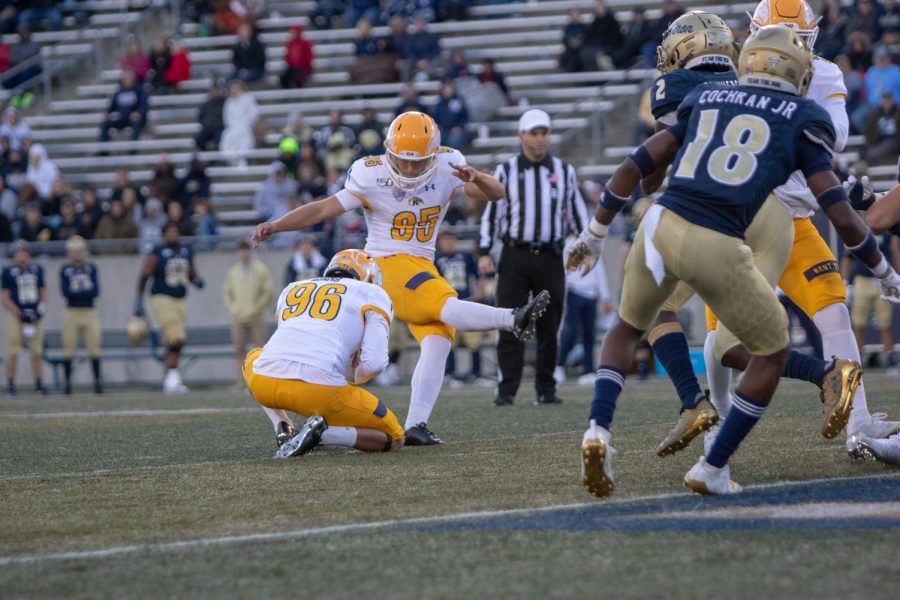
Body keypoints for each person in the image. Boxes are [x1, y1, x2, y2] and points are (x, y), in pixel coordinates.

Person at [567, 26, 900, 498]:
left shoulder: (702, 98)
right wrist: (885, 271)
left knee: (627, 325)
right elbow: (841, 215)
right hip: (725, 236)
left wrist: (595, 234)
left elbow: (637, 167)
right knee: (769, 353)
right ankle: (715, 462)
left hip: (661, 223)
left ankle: (599, 430)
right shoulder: (803, 115)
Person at [642, 7, 898, 461]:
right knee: (724, 340)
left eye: (796, 38)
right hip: (741, 217)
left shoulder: (821, 73)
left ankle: (857, 422)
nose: (789, 48)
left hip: (796, 220)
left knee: (833, 313)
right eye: (780, 37)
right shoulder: (740, 71)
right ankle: (714, 425)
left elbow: (835, 135)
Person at [253, 111, 550, 445]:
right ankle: (512, 318)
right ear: (388, 151)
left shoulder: (449, 165)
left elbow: (497, 193)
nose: (409, 169)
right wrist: (277, 225)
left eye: (418, 162)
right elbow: (323, 208)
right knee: (445, 304)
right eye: (402, 160)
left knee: (439, 339)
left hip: (422, 264)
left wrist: (476, 177)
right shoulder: (370, 174)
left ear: (434, 154)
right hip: (384, 264)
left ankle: (416, 425)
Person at [244, 249, 406, 456]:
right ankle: (324, 434)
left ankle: (283, 425)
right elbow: (374, 363)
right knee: (396, 438)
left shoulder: (294, 287)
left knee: (253, 357)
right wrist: (356, 379)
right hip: (320, 391)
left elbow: (292, 340)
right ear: (368, 275)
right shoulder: (372, 293)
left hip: (264, 382)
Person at [478, 109, 589, 406]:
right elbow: (493, 212)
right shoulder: (506, 171)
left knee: (550, 325)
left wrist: (586, 248)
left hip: (551, 255)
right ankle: (506, 389)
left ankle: (546, 388)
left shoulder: (564, 171)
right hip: (515, 254)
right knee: (508, 321)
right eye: (534, 133)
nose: (540, 139)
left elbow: (576, 213)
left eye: (544, 133)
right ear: (521, 135)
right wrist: (484, 250)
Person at [134, 222, 205, 394]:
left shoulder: (186, 250)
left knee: (175, 341)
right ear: (163, 234)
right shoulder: (157, 251)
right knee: (177, 337)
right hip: (162, 298)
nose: (173, 234)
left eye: (176, 231)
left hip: (180, 300)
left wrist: (196, 281)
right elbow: (144, 276)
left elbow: (191, 273)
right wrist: (138, 303)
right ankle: (172, 376)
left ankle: (170, 378)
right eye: (169, 232)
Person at [435, 229, 490, 385]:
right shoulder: (435, 260)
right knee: (450, 342)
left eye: (451, 239)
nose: (449, 242)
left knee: (474, 340)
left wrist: (480, 291)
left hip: (467, 302)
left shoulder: (466, 257)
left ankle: (477, 373)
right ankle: (450, 374)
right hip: (447, 304)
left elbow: (478, 277)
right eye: (446, 239)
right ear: (439, 243)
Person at [556, 235, 612, 386]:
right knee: (571, 332)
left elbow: (599, 269)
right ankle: (558, 365)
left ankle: (588, 370)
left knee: (589, 334)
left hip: (591, 295)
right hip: (574, 292)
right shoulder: (566, 244)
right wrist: (562, 296)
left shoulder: (593, 244)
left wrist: (605, 297)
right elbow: (563, 270)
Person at [843, 232, 900, 374]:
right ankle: (856, 362)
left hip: (882, 280)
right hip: (862, 279)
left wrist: (897, 277)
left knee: (885, 324)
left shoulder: (887, 231)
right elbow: (847, 257)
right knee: (858, 324)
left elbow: (895, 253)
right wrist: (844, 281)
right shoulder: (857, 227)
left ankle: (890, 361)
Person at [223, 238, 274, 390]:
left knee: (260, 350)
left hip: (257, 317)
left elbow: (268, 291)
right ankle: (241, 382)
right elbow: (227, 292)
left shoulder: (260, 269)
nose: (244, 253)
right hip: (238, 317)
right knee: (239, 350)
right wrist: (234, 308)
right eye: (241, 250)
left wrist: (258, 307)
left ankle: (261, 381)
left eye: (246, 250)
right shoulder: (233, 271)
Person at [2, 239, 46, 395]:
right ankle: (11, 385)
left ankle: (39, 384)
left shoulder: (37, 270)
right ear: (14, 255)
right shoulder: (8, 272)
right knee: (13, 351)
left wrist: (40, 309)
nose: (22, 255)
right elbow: (5, 298)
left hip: (34, 316)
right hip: (17, 316)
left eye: (24, 252)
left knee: (37, 351)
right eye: (19, 252)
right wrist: (19, 314)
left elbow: (43, 291)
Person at [59, 236, 103, 395]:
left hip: (89, 311)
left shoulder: (91, 267)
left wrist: (78, 292)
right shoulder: (65, 269)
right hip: (71, 312)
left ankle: (98, 383)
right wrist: (83, 292)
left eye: (80, 251)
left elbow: (96, 292)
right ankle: (67, 384)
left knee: (95, 348)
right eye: (74, 251)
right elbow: (65, 292)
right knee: (69, 349)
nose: (77, 254)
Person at [98, 70, 148, 147]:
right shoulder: (119, 91)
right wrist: (106, 112)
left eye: (130, 77)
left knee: (137, 123)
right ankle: (103, 150)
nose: (128, 79)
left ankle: (132, 150)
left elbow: (144, 105)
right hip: (122, 118)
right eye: (126, 77)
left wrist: (138, 112)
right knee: (105, 123)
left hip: (134, 119)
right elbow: (112, 106)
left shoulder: (139, 90)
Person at [220, 80, 259, 166]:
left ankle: (241, 160)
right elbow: (226, 117)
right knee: (227, 141)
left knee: (244, 141)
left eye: (236, 88)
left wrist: (246, 124)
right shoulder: (229, 101)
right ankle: (233, 162)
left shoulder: (248, 98)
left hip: (245, 127)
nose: (235, 90)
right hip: (232, 128)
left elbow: (253, 113)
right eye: (233, 88)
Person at [280, 24, 314, 88]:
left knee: (298, 77)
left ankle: (299, 93)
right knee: (283, 78)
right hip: (292, 68)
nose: (292, 34)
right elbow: (287, 56)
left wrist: (301, 65)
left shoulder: (305, 43)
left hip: (302, 68)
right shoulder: (290, 43)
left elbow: (308, 57)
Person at [195, 82, 226, 151]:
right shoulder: (205, 104)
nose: (215, 92)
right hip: (207, 129)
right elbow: (200, 117)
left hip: (220, 129)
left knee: (219, 138)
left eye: (217, 90)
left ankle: (214, 157)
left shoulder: (225, 103)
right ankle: (207, 154)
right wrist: (206, 125)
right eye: (213, 90)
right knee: (199, 139)